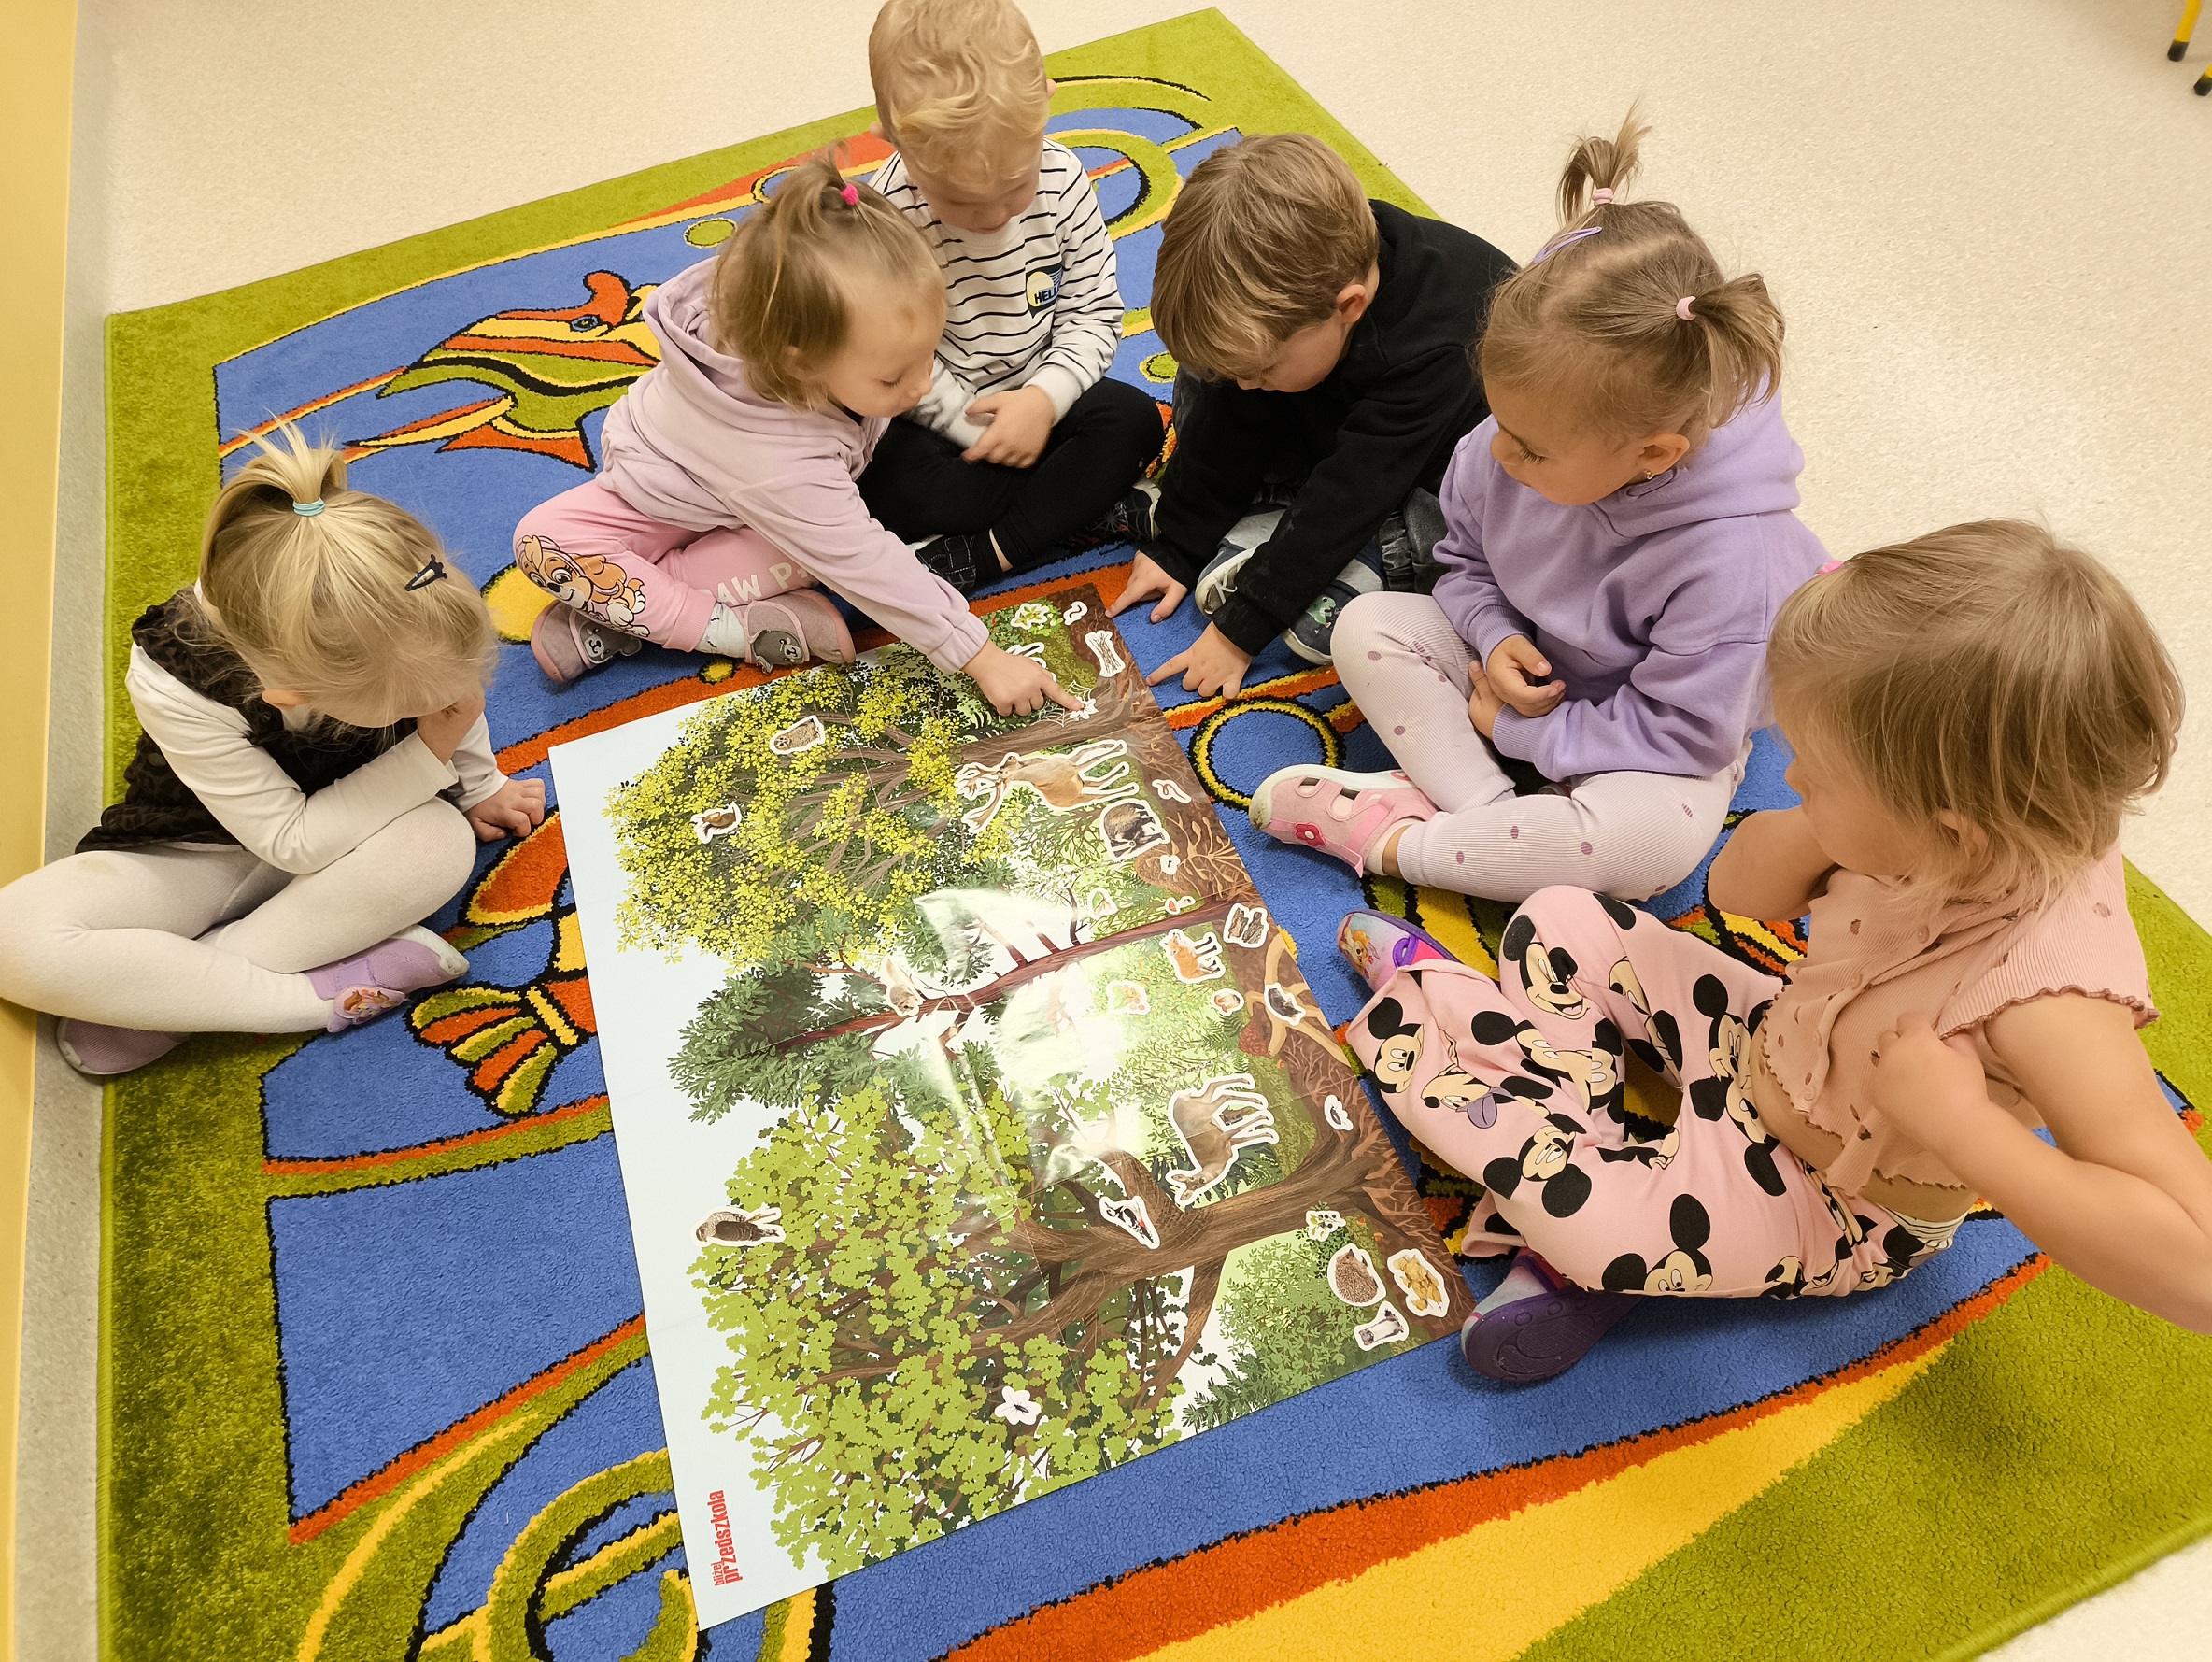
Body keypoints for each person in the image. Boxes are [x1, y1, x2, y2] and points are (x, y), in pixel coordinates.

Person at [1338, 521, 2209, 1383]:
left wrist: (1962, 1125)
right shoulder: (1954, 824)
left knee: (1591, 1228)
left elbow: (2198, 1264)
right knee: (1560, 915)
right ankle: (1586, 1169)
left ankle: (1447, 1023)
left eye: (1816, 773)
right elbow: (1736, 895)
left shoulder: (2050, 999)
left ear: (1950, 832)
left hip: (1836, 1199)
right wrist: (1821, 827)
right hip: (1767, 1043)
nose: (1787, 777)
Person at [1250, 113, 1824, 902]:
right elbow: (1462, 562)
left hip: (1652, 736)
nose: (1497, 453)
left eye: (1532, 448)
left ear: (1653, 453)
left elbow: (1685, 733)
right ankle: (1492, 819)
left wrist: (1521, 730)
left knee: (1652, 846)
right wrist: (1494, 634)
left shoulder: (1733, 564)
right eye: (1499, 419)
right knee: (1365, 626)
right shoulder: (1512, 438)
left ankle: (1406, 844)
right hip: (1529, 674)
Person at [0, 428, 544, 1077]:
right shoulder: (175, 675)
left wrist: (479, 783)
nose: (441, 707)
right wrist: (430, 749)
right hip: (204, 847)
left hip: (363, 831)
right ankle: (318, 998)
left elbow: (451, 699)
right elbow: (291, 841)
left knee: (441, 843)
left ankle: (172, 1000)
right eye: (407, 709)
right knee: (15, 935)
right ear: (292, 696)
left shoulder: (388, 596)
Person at [514, 153, 1077, 717]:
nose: (922, 385)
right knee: (541, 541)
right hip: (666, 500)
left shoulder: (794, 308)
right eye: (892, 377)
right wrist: (980, 655)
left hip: (752, 511)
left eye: (928, 353)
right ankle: (729, 629)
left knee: (833, 527)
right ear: (800, 361)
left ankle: (627, 612)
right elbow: (859, 559)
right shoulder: (780, 458)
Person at [1108, 132, 1515, 693]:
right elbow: (1237, 401)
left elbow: (1353, 490)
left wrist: (1243, 627)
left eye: (1263, 369)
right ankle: (1275, 514)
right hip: (1337, 417)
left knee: (1456, 521)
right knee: (1208, 376)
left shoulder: (1437, 342)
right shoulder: (1309, 274)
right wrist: (1180, 543)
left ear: (1348, 307)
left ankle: (1375, 557)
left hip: (1423, 468)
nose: (1246, 385)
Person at [857, 0, 1165, 594]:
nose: (995, 217)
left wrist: (1042, 402)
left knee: (1134, 421)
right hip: (938, 414)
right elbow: (891, 359)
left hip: (1045, 396)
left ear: (1044, 104)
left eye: (1016, 186)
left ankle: (988, 553)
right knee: (877, 480)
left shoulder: (1064, 180)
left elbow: (1093, 314)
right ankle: (1077, 508)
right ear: (892, 139)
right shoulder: (889, 215)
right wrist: (979, 436)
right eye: (961, 202)